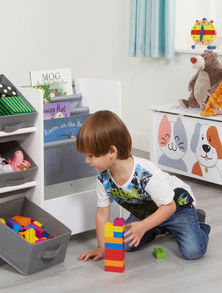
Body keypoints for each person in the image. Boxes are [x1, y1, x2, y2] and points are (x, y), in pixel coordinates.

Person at [76, 110, 211, 261]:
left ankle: (198, 221)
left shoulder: (145, 174)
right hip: (146, 212)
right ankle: (158, 226)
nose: (87, 161)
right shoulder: (103, 178)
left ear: (111, 151)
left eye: (91, 156)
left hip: (176, 207)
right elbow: (102, 212)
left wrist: (144, 226)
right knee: (124, 243)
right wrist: (102, 248)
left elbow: (169, 206)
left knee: (193, 252)